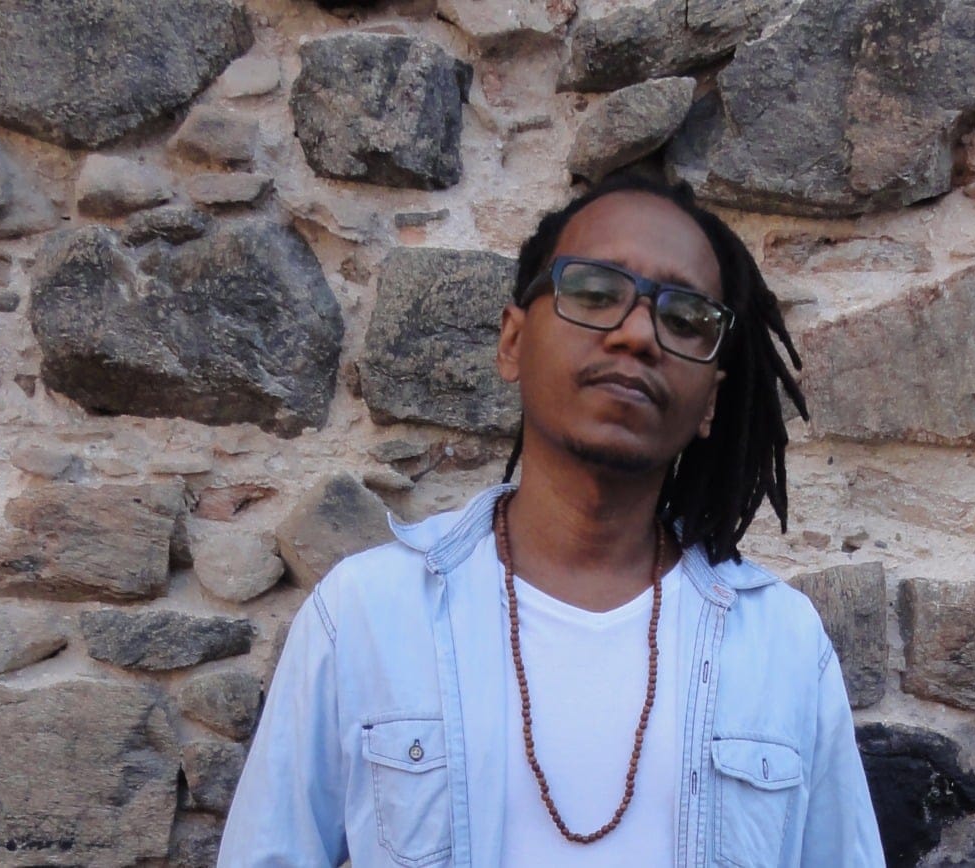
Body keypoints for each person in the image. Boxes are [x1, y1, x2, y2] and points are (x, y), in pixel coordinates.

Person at [218, 174, 884, 867]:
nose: (637, 334)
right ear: (512, 342)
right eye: (595, 292)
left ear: (711, 402)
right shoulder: (368, 616)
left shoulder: (782, 646)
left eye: (686, 319)